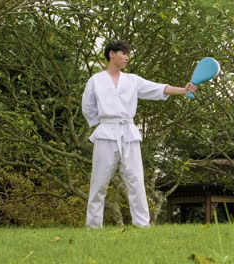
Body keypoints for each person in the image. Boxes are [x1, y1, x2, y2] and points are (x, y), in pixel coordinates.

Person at [82, 40, 197, 228]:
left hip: (129, 133)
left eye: (128, 54)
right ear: (112, 54)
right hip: (105, 134)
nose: (127, 57)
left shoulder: (132, 80)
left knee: (136, 180)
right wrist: (102, 124)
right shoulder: (96, 80)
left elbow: (158, 88)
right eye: (123, 53)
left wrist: (184, 90)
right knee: (99, 181)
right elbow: (88, 107)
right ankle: (93, 226)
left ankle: (143, 225)